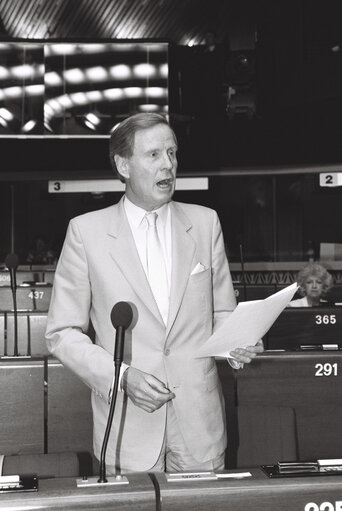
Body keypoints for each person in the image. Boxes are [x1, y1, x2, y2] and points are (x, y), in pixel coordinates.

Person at [45, 113, 263, 474]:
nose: (169, 165)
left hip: (199, 424)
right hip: (127, 424)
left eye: (173, 153)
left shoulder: (205, 223)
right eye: (154, 155)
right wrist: (122, 378)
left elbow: (223, 312)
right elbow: (62, 333)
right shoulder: (86, 232)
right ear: (123, 165)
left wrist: (236, 343)